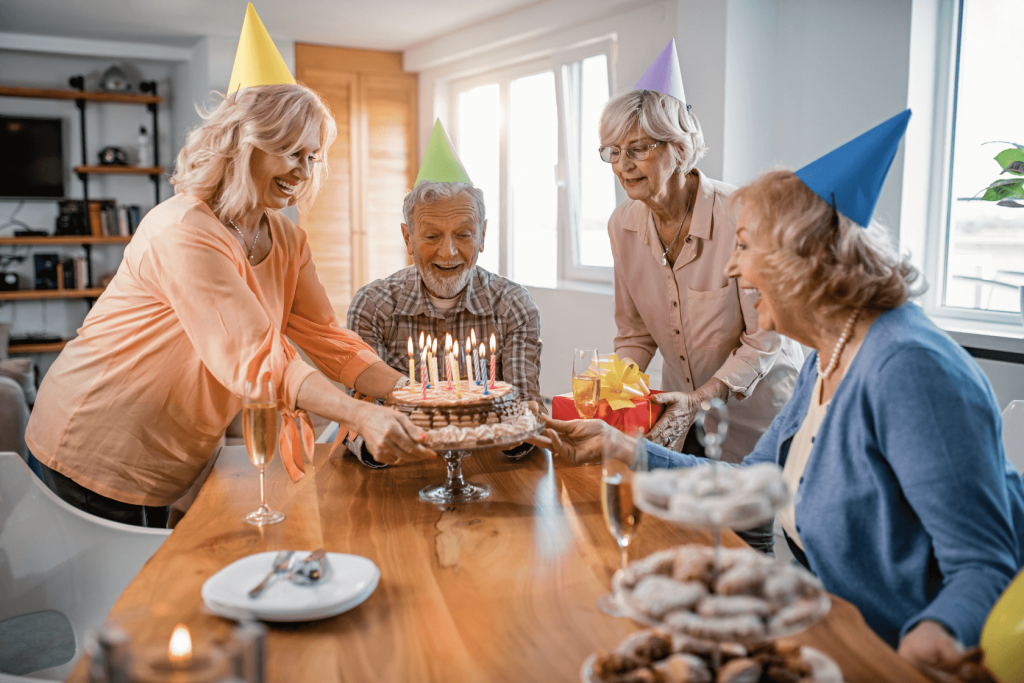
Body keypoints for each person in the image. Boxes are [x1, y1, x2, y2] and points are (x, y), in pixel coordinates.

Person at [534, 110, 1024, 681]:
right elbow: (754, 483)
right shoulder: (828, 351)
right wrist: (621, 448)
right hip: (831, 636)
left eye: (744, 247)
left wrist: (932, 637)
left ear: (802, 260)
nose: (735, 268)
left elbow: (983, 563)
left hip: (892, 656)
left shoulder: (911, 369)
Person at [25, 6, 433, 528]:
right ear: (244, 143)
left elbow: (327, 337)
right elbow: (256, 356)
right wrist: (360, 414)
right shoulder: (184, 231)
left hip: (167, 458)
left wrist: (416, 394)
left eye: (312, 157)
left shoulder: (285, 237)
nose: (303, 173)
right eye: (290, 152)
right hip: (90, 445)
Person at [601, 40, 801, 462]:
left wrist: (700, 399)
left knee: (749, 527)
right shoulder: (622, 225)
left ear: (679, 147)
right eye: (613, 152)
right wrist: (616, 387)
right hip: (684, 415)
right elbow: (635, 332)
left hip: (758, 414)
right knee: (683, 523)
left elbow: (765, 339)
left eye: (639, 148)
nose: (623, 165)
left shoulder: (741, 214)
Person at [342, 120, 543, 467]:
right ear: (408, 238)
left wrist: (526, 425)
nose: (448, 252)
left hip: (486, 473)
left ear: (482, 236)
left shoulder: (513, 306)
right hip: (398, 475)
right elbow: (364, 423)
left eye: (463, 235)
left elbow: (521, 414)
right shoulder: (373, 306)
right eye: (432, 236)